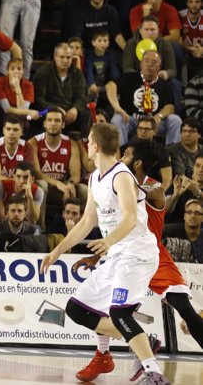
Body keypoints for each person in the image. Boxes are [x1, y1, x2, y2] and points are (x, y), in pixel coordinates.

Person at [40, 123, 168, 385]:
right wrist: (56, 251)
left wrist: (107, 241)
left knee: (119, 314)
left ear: (96, 146)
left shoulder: (121, 175)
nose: (86, 144)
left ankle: (153, 372)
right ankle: (140, 340)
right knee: (77, 309)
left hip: (137, 254)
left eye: (88, 140)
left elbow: (131, 218)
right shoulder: (94, 177)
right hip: (117, 254)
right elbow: (87, 222)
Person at [72, 140, 203, 382]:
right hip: (122, 254)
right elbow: (113, 227)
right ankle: (103, 354)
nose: (120, 158)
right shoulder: (115, 180)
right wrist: (96, 255)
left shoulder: (150, 187)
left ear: (139, 163)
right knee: (104, 308)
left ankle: (127, 351)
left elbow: (149, 195)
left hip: (152, 256)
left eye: (126, 155)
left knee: (184, 309)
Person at [107, 50, 182, 146]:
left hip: (154, 123)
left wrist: (159, 116)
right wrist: (117, 108)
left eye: (154, 62)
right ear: (141, 64)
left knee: (175, 120)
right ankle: (122, 155)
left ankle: (172, 155)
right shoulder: (129, 77)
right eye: (146, 61)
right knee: (117, 119)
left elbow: (170, 107)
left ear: (159, 66)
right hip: (131, 121)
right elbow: (110, 86)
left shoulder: (166, 85)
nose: (150, 64)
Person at [32, 43, 91, 138]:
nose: (65, 60)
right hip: (49, 111)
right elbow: (38, 100)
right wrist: (55, 109)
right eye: (62, 57)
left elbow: (81, 97)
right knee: (47, 115)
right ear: (55, 56)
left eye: (68, 57)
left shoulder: (78, 74)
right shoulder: (42, 73)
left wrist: (75, 109)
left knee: (88, 116)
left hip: (71, 115)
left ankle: (85, 145)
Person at [0, 113, 36, 182]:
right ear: (3, 130)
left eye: (15, 130)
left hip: (20, 185)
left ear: (21, 132)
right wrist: (18, 181)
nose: (11, 133)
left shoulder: (27, 147)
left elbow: (27, 176)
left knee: (40, 185)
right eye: (8, 129)